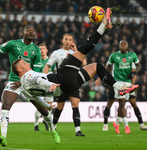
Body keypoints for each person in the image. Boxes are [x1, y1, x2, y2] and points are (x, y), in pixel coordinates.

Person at [11, 8, 139, 136]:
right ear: (19, 69)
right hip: (61, 78)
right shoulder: (28, 75)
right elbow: (38, 80)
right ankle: (103, 26)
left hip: (66, 86)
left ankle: (118, 86)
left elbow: (36, 100)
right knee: (85, 48)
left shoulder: (25, 88)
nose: (27, 63)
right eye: (23, 63)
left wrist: (46, 105)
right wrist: (49, 85)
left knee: (96, 66)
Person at [0, 25, 60, 146]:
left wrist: (25, 81)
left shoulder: (36, 49)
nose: (31, 32)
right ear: (22, 32)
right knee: (6, 104)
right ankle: (3, 137)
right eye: (28, 30)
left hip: (29, 83)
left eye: (33, 31)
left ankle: (52, 129)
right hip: (14, 81)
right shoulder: (13, 44)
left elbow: (36, 72)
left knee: (43, 111)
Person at [95, 40, 147, 134]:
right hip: (116, 83)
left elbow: (138, 66)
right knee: (110, 103)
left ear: (128, 45)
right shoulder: (114, 55)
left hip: (128, 83)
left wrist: (134, 73)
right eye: (121, 44)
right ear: (118, 46)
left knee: (131, 103)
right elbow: (107, 68)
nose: (123, 45)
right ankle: (106, 124)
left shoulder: (132, 55)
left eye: (125, 44)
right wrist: (100, 77)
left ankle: (138, 124)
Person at [43, 33, 87, 136]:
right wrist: (45, 80)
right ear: (62, 41)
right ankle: (53, 126)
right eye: (66, 39)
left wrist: (76, 50)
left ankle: (78, 130)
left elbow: (84, 64)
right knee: (59, 107)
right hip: (61, 84)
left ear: (72, 42)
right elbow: (47, 65)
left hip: (74, 83)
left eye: (70, 40)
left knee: (75, 105)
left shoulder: (75, 53)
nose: (67, 41)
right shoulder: (57, 53)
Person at [34, 43, 56, 131]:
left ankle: (45, 121)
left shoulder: (51, 61)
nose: (42, 50)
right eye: (40, 49)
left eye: (43, 48)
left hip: (49, 87)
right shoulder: (37, 62)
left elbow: (55, 73)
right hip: (39, 87)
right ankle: (36, 124)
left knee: (49, 106)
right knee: (39, 107)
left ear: (47, 50)